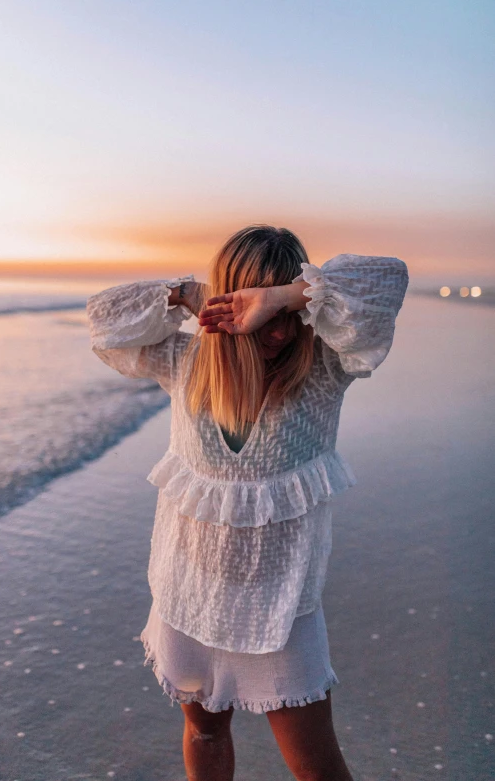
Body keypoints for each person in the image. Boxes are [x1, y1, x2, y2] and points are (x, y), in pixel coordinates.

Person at [86, 225, 409, 781]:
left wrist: (281, 299)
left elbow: (387, 281)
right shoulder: (183, 363)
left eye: (287, 312)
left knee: (318, 769)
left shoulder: (325, 371)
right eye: (261, 310)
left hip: (281, 611)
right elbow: (104, 319)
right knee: (205, 732)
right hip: (187, 597)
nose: (280, 332)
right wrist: (187, 293)